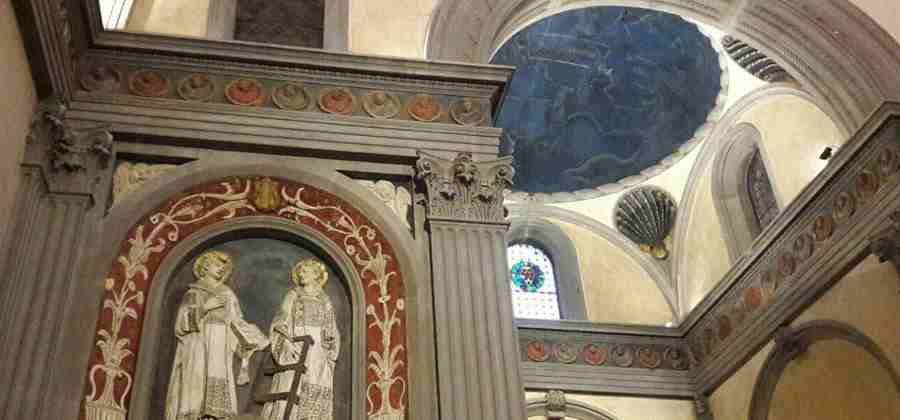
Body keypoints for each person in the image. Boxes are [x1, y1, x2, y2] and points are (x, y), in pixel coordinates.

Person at [165, 250, 269, 420]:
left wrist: (254, 338)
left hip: (221, 342)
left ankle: (214, 415)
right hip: (199, 343)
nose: (221, 269)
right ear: (205, 267)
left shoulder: (227, 293)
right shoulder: (194, 292)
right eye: (217, 265)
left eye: (223, 267)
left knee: (219, 376)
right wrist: (205, 308)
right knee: (198, 379)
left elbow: (236, 321)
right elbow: (182, 324)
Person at [261, 258, 340, 420]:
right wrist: (287, 342)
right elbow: (281, 321)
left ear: (315, 275)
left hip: (317, 348)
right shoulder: (293, 295)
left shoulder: (324, 300)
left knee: (316, 380)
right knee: (291, 382)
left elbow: (330, 326)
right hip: (297, 342)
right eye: (300, 272)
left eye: (305, 271)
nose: (301, 274)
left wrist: (330, 344)